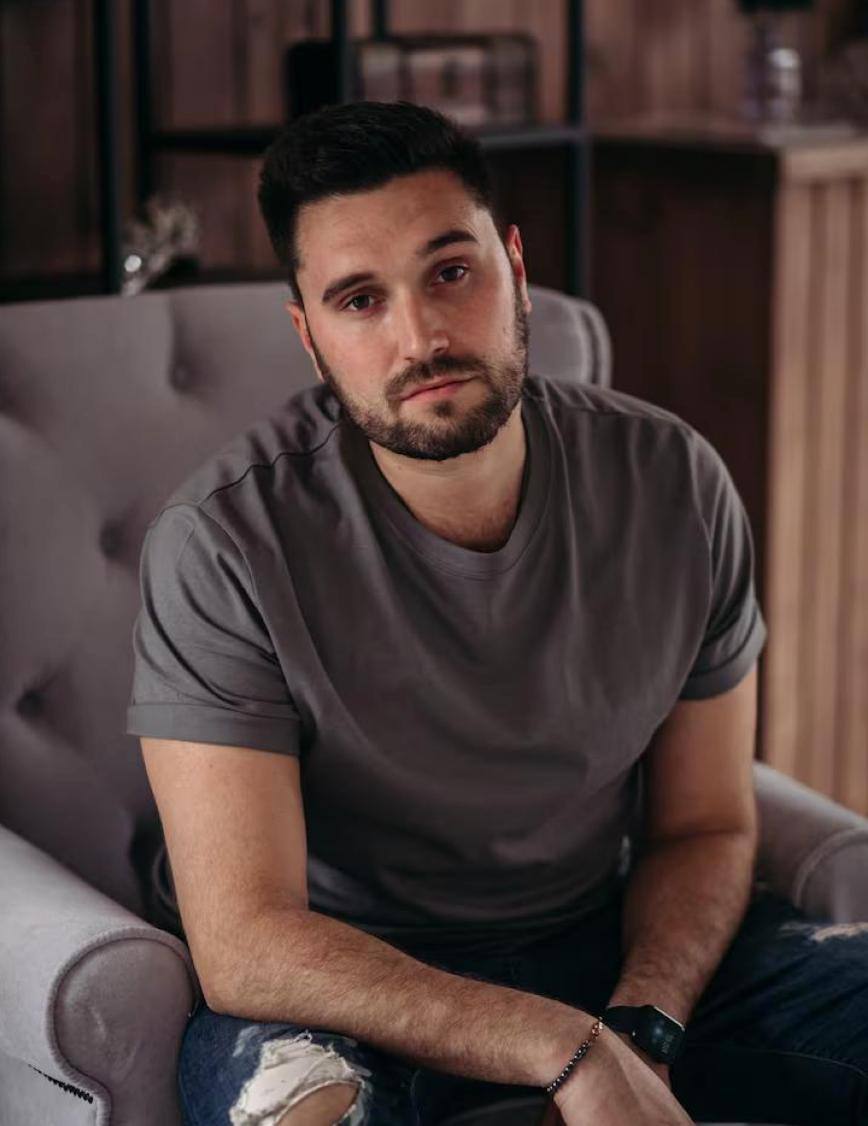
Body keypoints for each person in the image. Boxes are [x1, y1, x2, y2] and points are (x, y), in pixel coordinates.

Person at [126, 100, 868, 1126]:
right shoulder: (222, 543)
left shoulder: (674, 481)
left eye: (450, 271)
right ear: (308, 335)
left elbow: (703, 820)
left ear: (514, 265)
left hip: (608, 944)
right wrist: (566, 1050)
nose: (420, 335)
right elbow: (248, 939)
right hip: (345, 989)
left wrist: (640, 1030)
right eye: (357, 299)